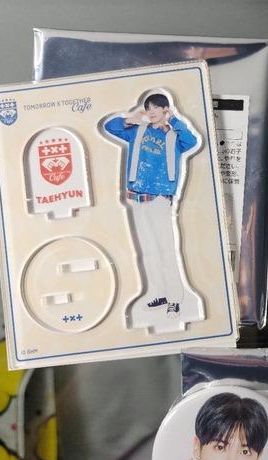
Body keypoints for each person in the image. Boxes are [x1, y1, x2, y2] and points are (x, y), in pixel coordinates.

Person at [103, 92, 204, 327]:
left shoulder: (174, 136)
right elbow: (109, 127)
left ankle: (175, 299)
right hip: (136, 195)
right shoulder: (137, 131)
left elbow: (193, 142)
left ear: (165, 110)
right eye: (148, 109)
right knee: (147, 250)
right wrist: (129, 119)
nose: (151, 112)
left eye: (155, 108)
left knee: (166, 249)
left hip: (159, 197)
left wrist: (175, 120)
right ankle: (159, 293)